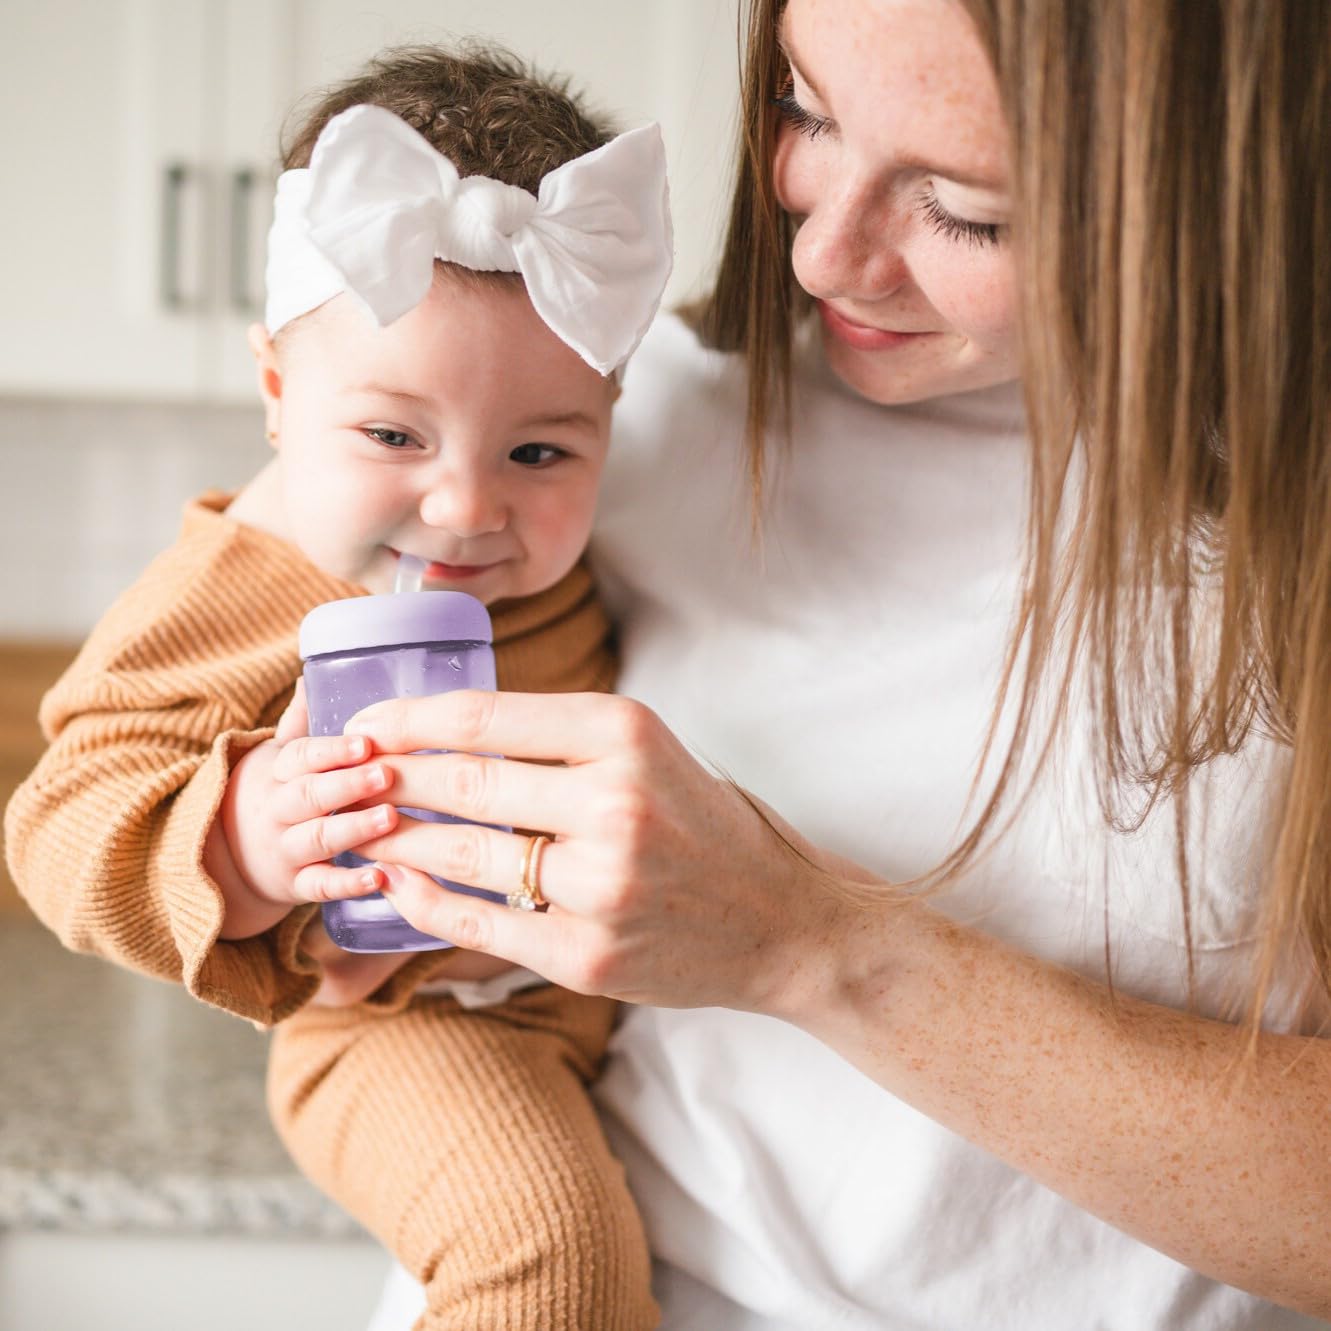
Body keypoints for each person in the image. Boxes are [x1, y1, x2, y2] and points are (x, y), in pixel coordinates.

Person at [331, 2, 1331, 1329]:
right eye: (805, 110)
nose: (819, 252)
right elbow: (222, 692)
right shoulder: (597, 419)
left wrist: (809, 944)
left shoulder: (1284, 536)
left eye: (967, 212)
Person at [3, 45, 673, 1331]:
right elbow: (58, 820)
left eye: (539, 451)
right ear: (275, 392)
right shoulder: (237, 584)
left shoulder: (591, 551)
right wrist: (242, 839)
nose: (464, 506)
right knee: (551, 1260)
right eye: (392, 434)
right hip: (419, 1023)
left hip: (611, 1008)